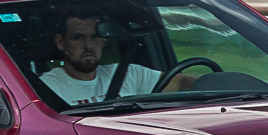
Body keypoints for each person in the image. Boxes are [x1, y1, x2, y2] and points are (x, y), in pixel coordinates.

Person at [36, 12, 187, 105]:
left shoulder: (129, 74)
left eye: (95, 37)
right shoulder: (46, 87)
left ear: (103, 41)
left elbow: (182, 83)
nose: (88, 46)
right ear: (61, 43)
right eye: (78, 37)